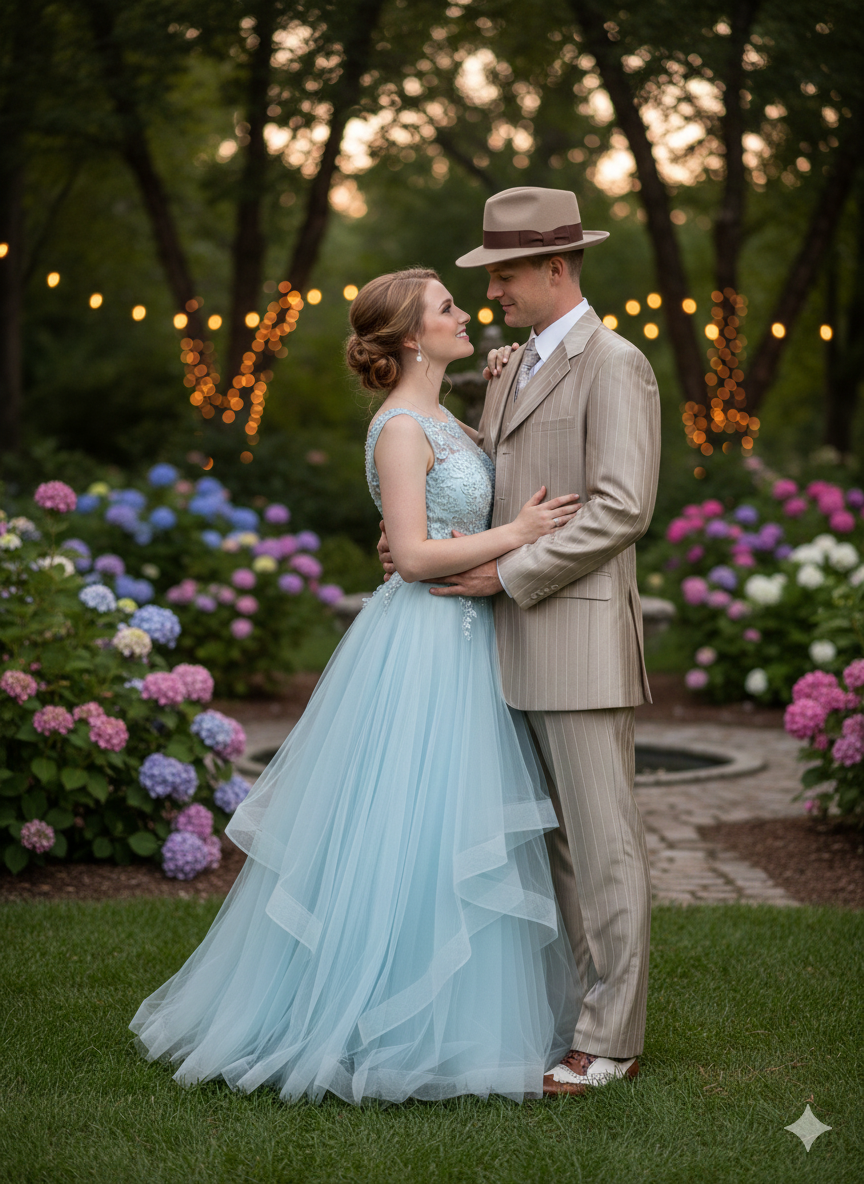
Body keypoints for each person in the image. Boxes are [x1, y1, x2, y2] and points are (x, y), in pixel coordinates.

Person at [130, 266, 587, 1106]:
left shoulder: (447, 416)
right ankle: (376, 1017)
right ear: (413, 336)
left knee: (451, 824)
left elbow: (447, 521)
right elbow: (411, 555)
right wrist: (517, 533)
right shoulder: (400, 428)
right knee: (409, 829)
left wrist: (493, 417)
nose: (464, 313)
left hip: (467, 634)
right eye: (446, 307)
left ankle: (461, 1020)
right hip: (423, 642)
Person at [378, 186, 661, 1095]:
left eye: (502, 274)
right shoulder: (510, 367)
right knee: (553, 849)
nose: (493, 290)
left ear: (555, 266)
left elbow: (621, 508)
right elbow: (486, 488)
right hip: (498, 648)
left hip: (572, 640)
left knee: (602, 844)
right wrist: (417, 544)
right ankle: (573, 1017)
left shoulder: (615, 363)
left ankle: (610, 1039)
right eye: (486, 277)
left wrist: (501, 572)